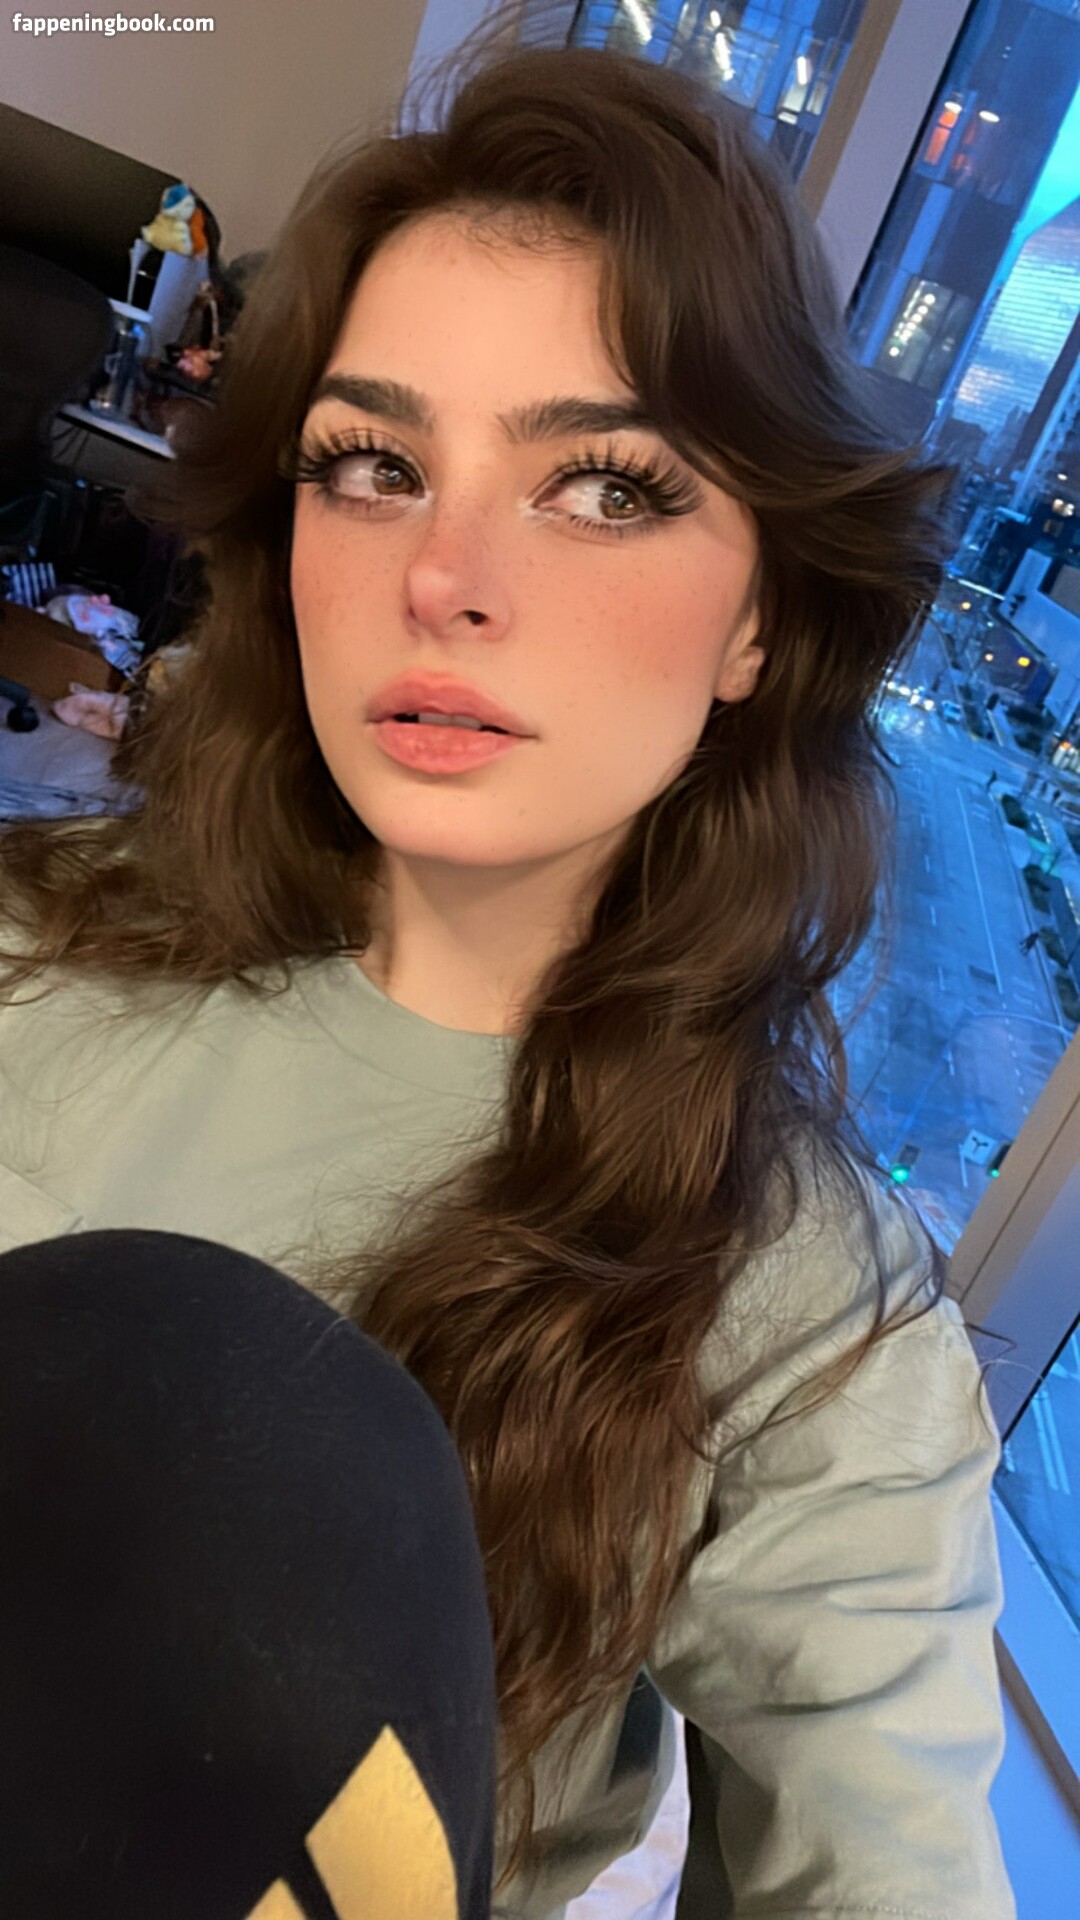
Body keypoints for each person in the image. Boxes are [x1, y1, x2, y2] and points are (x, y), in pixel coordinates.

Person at [0, 13, 1016, 1920]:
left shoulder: (805, 1323)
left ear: (761, 618)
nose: (442, 573)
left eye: (605, 486)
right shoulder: (27, 949)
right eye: (371, 463)